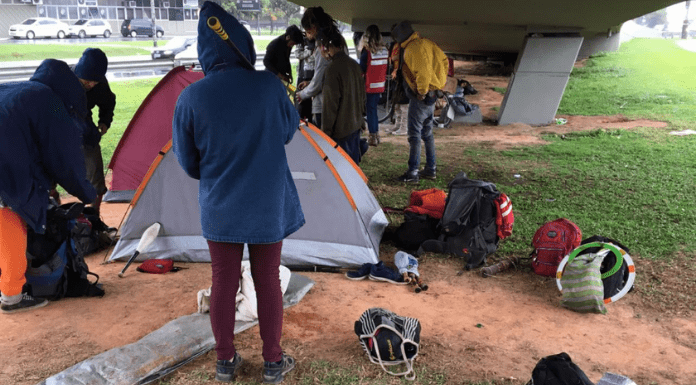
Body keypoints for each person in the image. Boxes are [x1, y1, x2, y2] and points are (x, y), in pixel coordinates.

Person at [172, 2, 304, 383]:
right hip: (268, 203)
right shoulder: (269, 86)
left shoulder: (191, 98)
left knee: (223, 281)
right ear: (243, 44)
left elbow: (188, 163)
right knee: (267, 278)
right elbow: (286, 132)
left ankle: (225, 362)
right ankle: (273, 362)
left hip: (220, 205)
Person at [0, 59, 97, 314]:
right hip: (5, 167)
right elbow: (64, 159)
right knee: (11, 218)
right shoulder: (51, 102)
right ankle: (12, 296)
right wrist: (87, 193)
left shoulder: (21, 88)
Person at [391, 21, 449, 183]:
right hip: (433, 94)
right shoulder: (427, 43)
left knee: (414, 135)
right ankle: (431, 169)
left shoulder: (411, 49)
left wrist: (422, 91)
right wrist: (439, 83)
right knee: (427, 133)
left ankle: (413, 172)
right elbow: (445, 61)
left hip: (422, 97)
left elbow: (422, 72)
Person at [73, 48, 116, 216]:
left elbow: (108, 101)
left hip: (85, 126)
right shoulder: (64, 81)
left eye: (95, 82)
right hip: (59, 126)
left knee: (94, 171)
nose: (91, 84)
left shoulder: (99, 82)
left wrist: (105, 121)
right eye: (87, 81)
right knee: (49, 175)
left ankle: (93, 221)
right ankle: (54, 225)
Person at [321, 28, 367, 165]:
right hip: (355, 123)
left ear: (330, 48)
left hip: (341, 129)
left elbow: (330, 104)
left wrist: (326, 132)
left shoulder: (332, 69)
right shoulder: (354, 65)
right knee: (353, 167)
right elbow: (362, 95)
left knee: (342, 167)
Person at [295, 6, 339, 129]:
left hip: (325, 104)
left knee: (325, 143)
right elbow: (326, 73)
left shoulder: (323, 45)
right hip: (337, 100)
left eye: (308, 31)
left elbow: (320, 77)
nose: (309, 36)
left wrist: (302, 95)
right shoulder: (337, 39)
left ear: (313, 28)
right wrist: (310, 82)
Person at [358, 25, 389, 146]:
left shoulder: (366, 52)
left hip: (369, 86)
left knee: (370, 111)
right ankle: (376, 135)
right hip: (380, 85)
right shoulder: (385, 50)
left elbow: (361, 69)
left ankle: (373, 136)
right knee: (374, 110)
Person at [294, 36, 315, 121]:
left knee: (311, 107)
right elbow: (298, 54)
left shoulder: (318, 40)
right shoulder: (302, 40)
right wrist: (309, 52)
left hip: (313, 77)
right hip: (302, 77)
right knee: (301, 106)